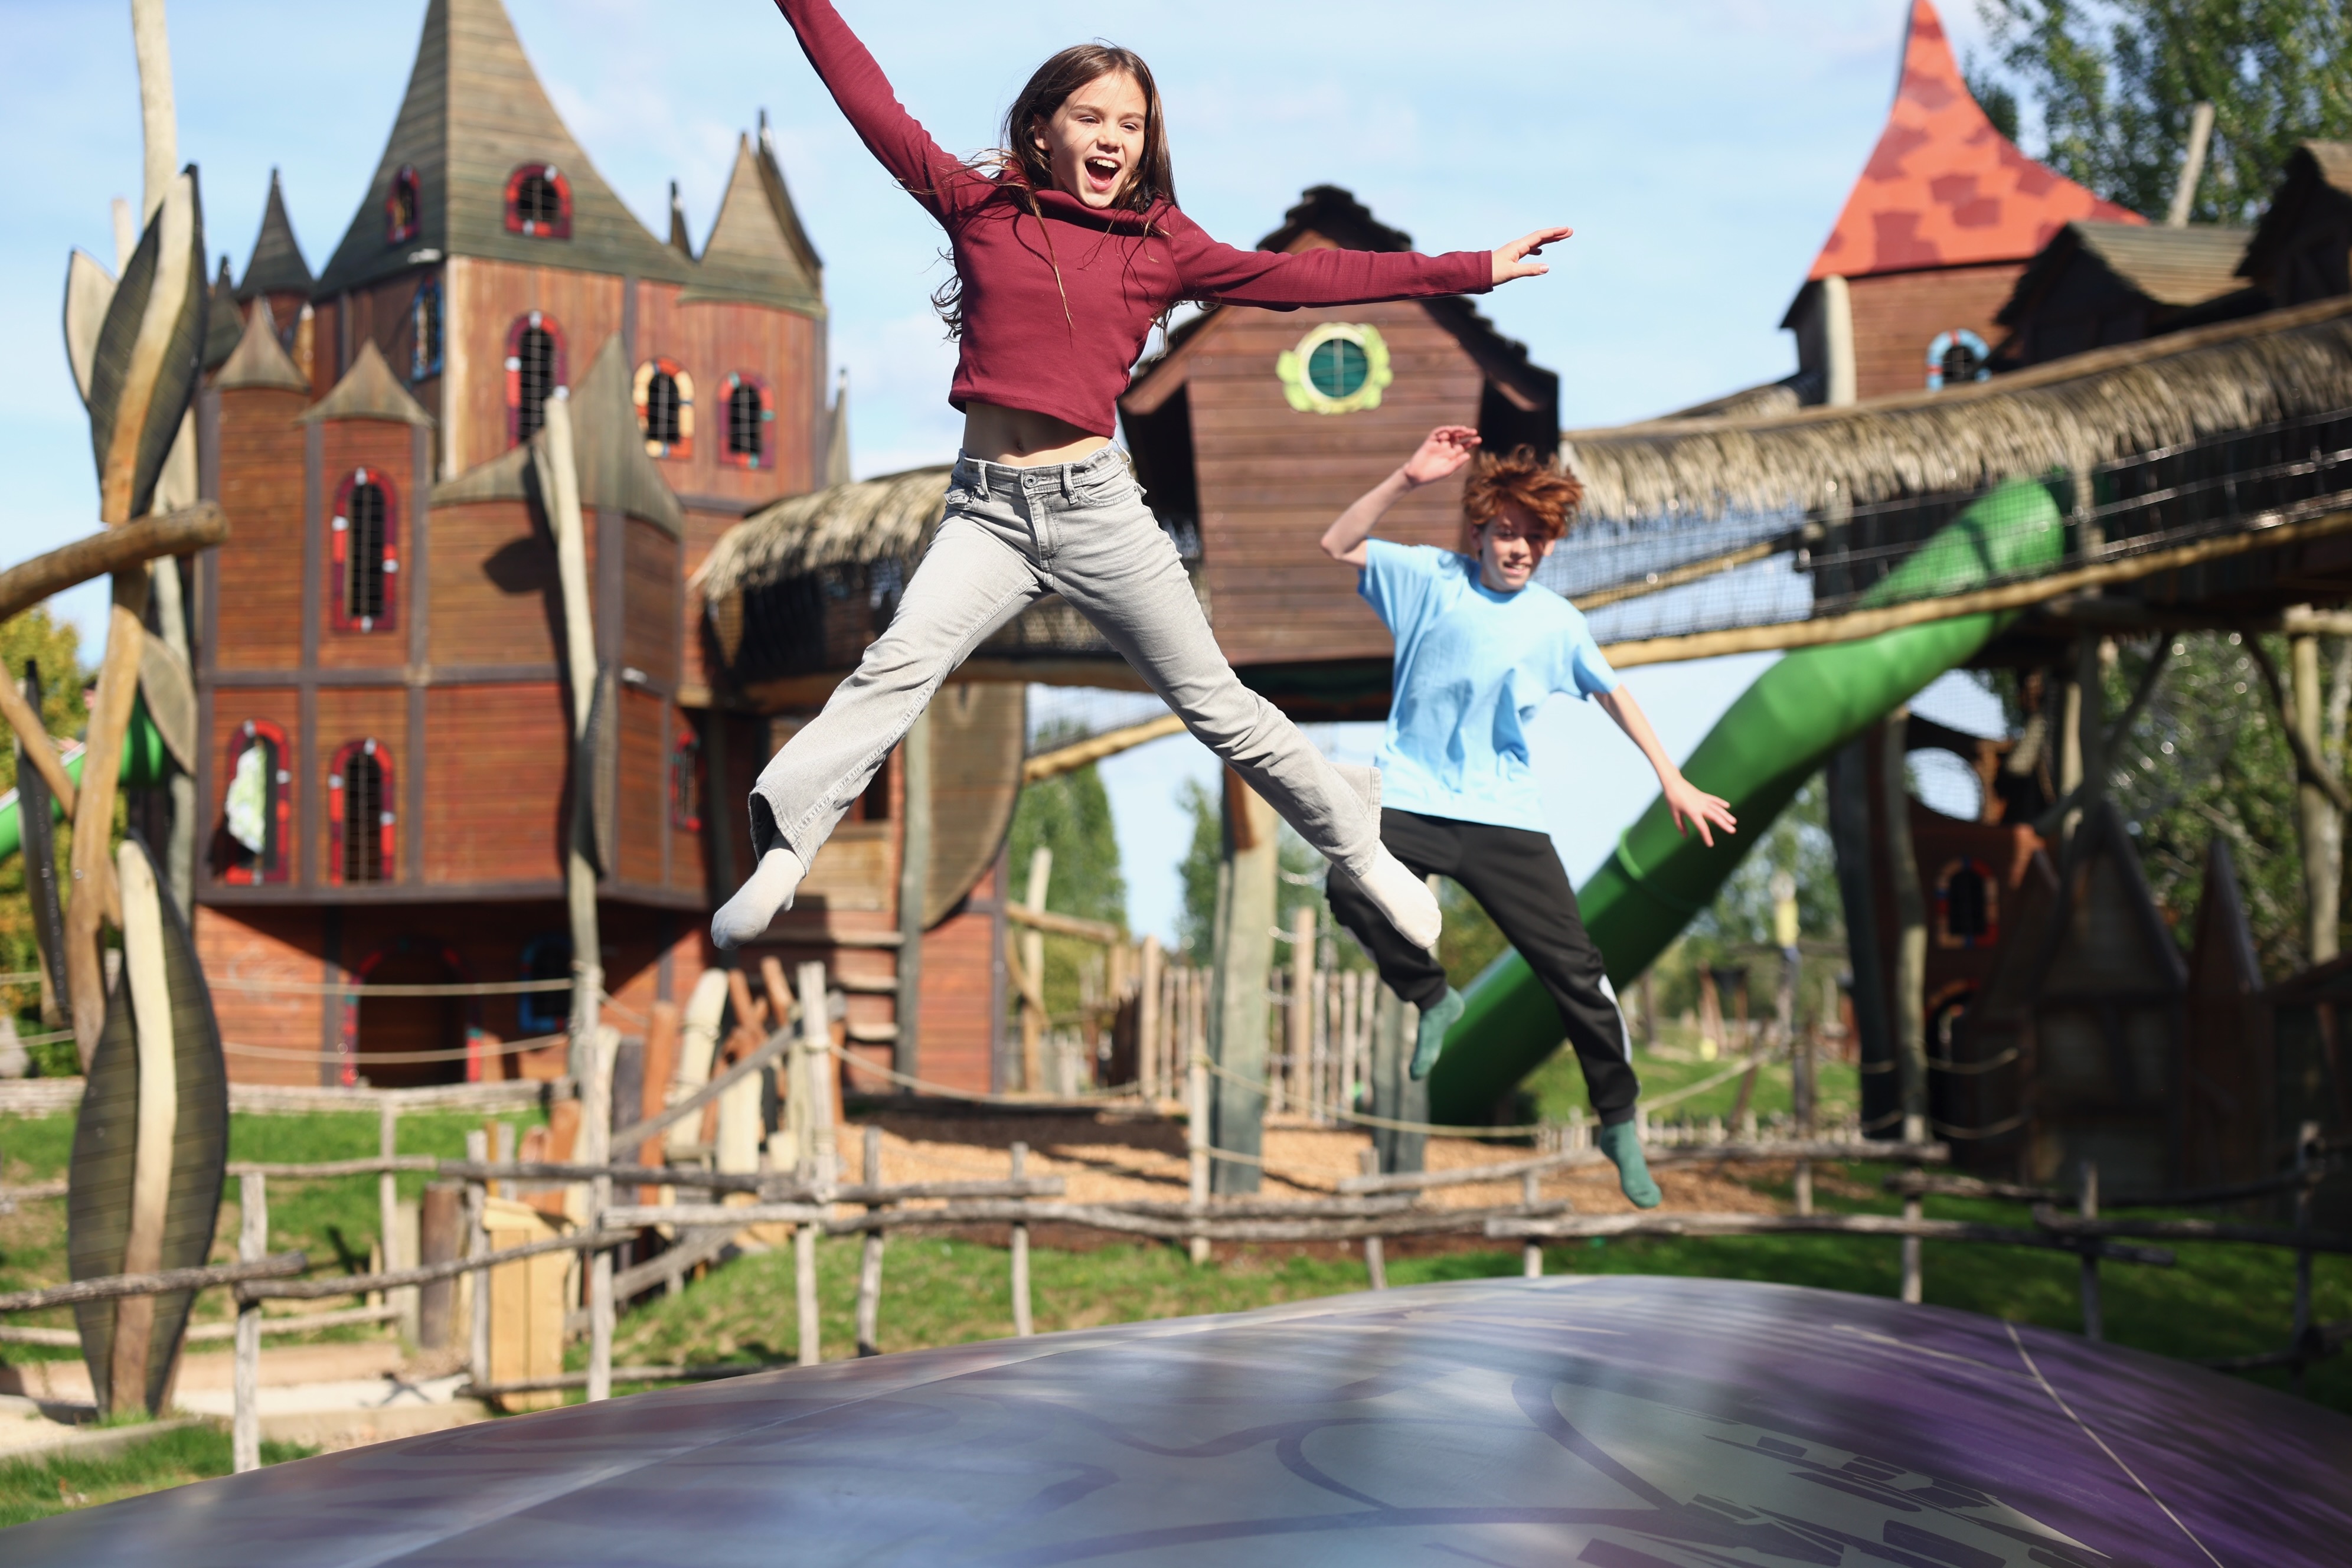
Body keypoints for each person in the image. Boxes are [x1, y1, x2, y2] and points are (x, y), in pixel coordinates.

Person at [713, 0, 1576, 955]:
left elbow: (1307, 281)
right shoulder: (981, 205)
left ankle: (1362, 850)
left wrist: (1468, 269)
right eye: (1091, 118)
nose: (1112, 140)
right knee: (899, 665)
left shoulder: (1161, 245)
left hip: (1097, 508)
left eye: (1131, 125)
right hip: (988, 511)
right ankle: (790, 851)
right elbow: (865, 98)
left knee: (1219, 707)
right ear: (1042, 130)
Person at [1318, 427, 1738, 1208]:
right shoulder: (1428, 578)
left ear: (1548, 548)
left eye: (1534, 539)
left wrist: (1671, 777)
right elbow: (1338, 542)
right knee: (1346, 887)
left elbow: (1615, 692)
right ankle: (1433, 997)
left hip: (1502, 817)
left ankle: (1617, 1123)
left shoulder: (1556, 622)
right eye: (1507, 533)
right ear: (1480, 532)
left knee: (1577, 974)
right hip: (1411, 798)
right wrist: (1409, 476)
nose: (1519, 550)